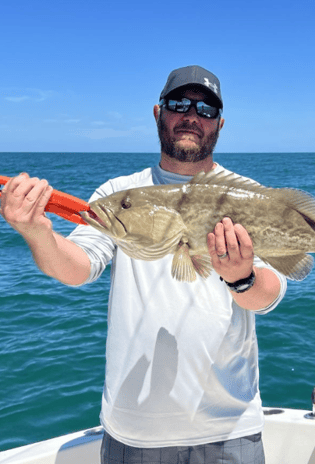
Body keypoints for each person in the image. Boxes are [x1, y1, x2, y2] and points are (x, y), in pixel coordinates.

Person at [0, 66, 287, 464]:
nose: (191, 116)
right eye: (178, 104)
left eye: (205, 110)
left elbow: (268, 294)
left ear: (219, 124)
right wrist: (35, 231)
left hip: (231, 430)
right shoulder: (118, 195)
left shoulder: (250, 197)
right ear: (158, 113)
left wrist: (242, 279)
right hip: (133, 434)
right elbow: (78, 267)